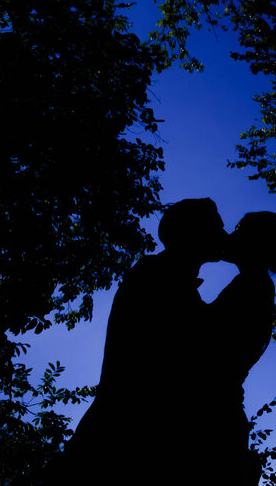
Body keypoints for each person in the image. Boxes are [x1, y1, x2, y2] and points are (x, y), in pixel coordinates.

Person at [51, 198, 229, 485]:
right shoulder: (158, 277)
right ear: (193, 232)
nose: (225, 235)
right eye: (217, 228)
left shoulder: (166, 277)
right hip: (123, 440)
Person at [197, 211, 276, 485]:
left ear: (256, 244)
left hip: (213, 417)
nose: (231, 237)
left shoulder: (253, 286)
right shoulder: (255, 285)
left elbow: (207, 338)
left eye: (240, 232)